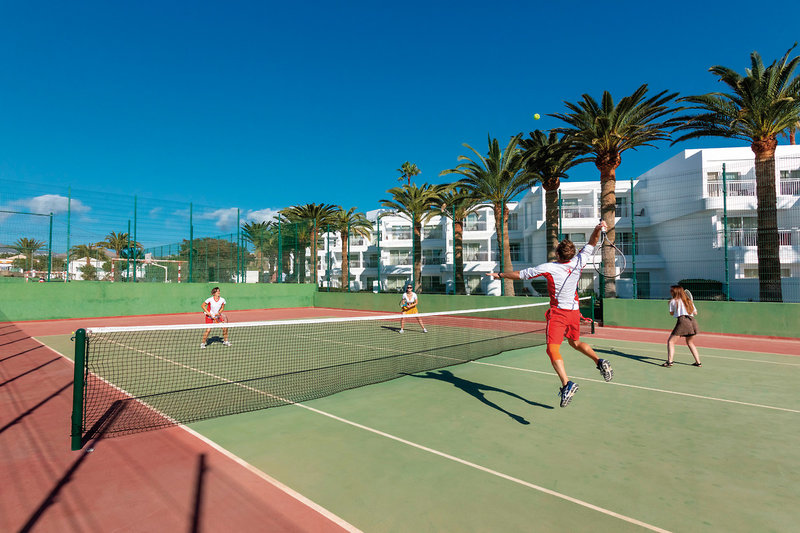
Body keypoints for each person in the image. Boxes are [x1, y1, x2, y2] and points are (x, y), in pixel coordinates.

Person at [487, 221, 613, 408]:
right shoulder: (580, 260)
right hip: (574, 311)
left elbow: (521, 275)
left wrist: (500, 275)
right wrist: (597, 229)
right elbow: (592, 243)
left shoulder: (549, 268)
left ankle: (566, 384)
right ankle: (599, 360)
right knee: (575, 342)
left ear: (557, 254)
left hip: (559, 314)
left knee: (552, 349)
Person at [663, 285, 701, 367]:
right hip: (693, 322)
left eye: (671, 290)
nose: (670, 292)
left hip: (683, 321)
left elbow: (671, 313)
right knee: (690, 342)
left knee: (671, 342)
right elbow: (695, 313)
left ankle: (670, 362)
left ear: (675, 292)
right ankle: (698, 362)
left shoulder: (673, 301)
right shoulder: (689, 301)